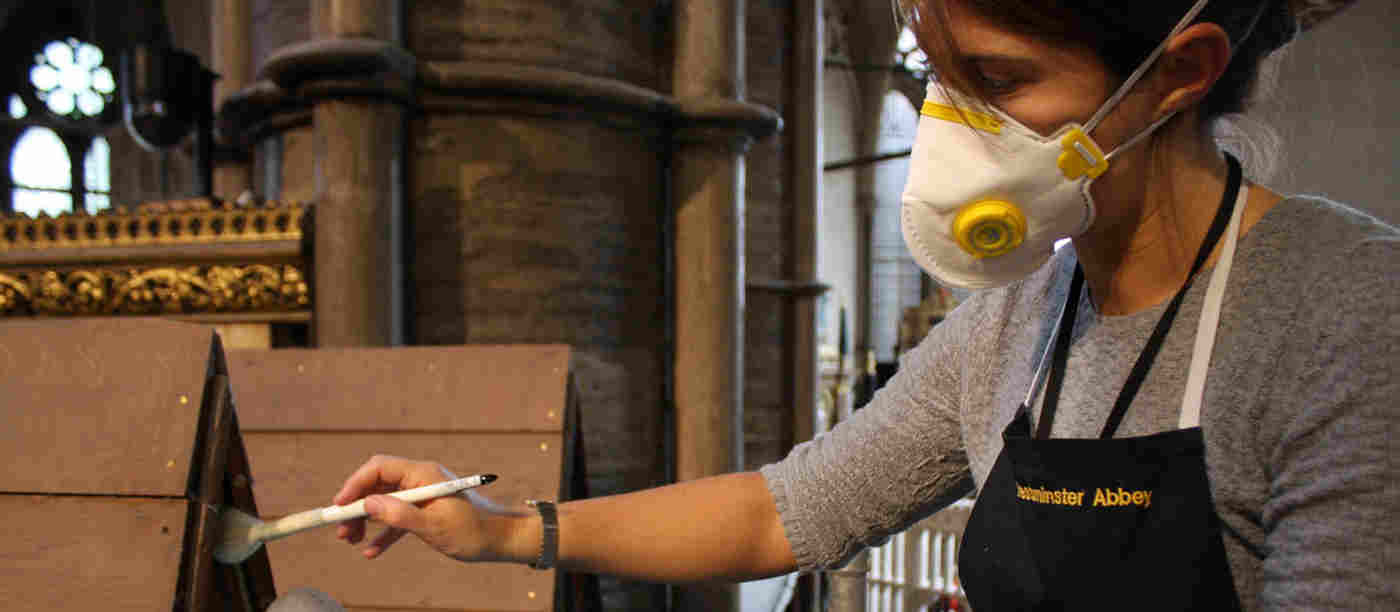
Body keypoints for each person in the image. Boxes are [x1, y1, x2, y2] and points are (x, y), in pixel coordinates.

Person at [330, 0, 1397, 609]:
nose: (952, 128)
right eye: (938, 76)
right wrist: (506, 532)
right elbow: (781, 511)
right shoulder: (1017, 321)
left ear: (1176, 75)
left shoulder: (1343, 314)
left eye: (1001, 80)